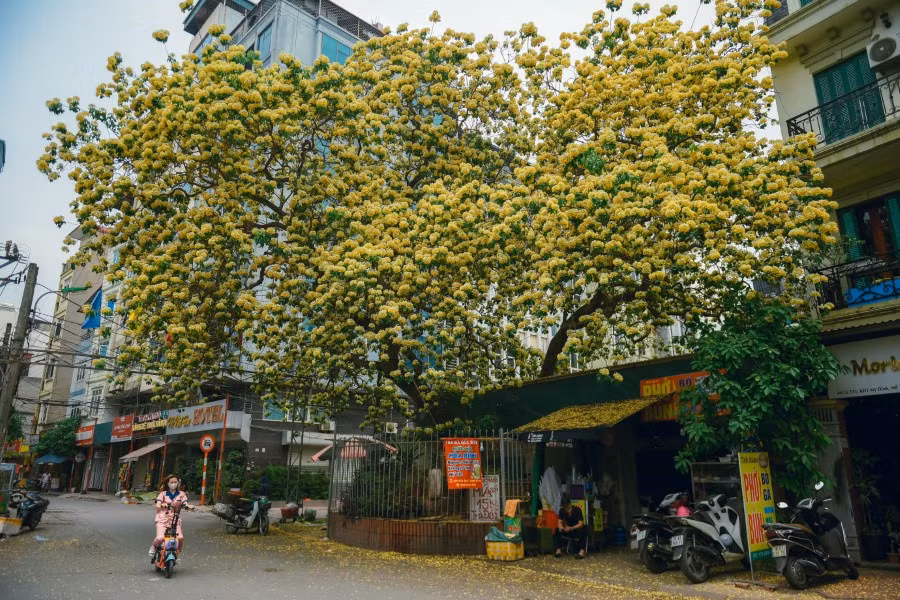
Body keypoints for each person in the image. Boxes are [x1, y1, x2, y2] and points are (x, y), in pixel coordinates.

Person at [149, 474, 195, 562]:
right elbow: (157, 505)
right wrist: (162, 504)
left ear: (178, 483)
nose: (173, 484)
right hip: (162, 518)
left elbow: (185, 503)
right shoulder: (163, 494)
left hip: (175, 519)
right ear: (168, 483)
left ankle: (176, 554)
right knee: (160, 538)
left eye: (175, 482)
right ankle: (153, 547)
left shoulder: (182, 494)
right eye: (171, 482)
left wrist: (189, 506)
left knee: (180, 538)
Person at [554, 494, 587, 559]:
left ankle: (581, 552)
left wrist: (572, 528)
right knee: (557, 530)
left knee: (583, 529)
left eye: (567, 506)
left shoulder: (577, 510)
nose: (566, 508)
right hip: (567, 529)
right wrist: (561, 528)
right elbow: (559, 522)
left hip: (575, 529)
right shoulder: (562, 511)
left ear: (570, 504)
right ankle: (558, 550)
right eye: (564, 507)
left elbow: (581, 524)